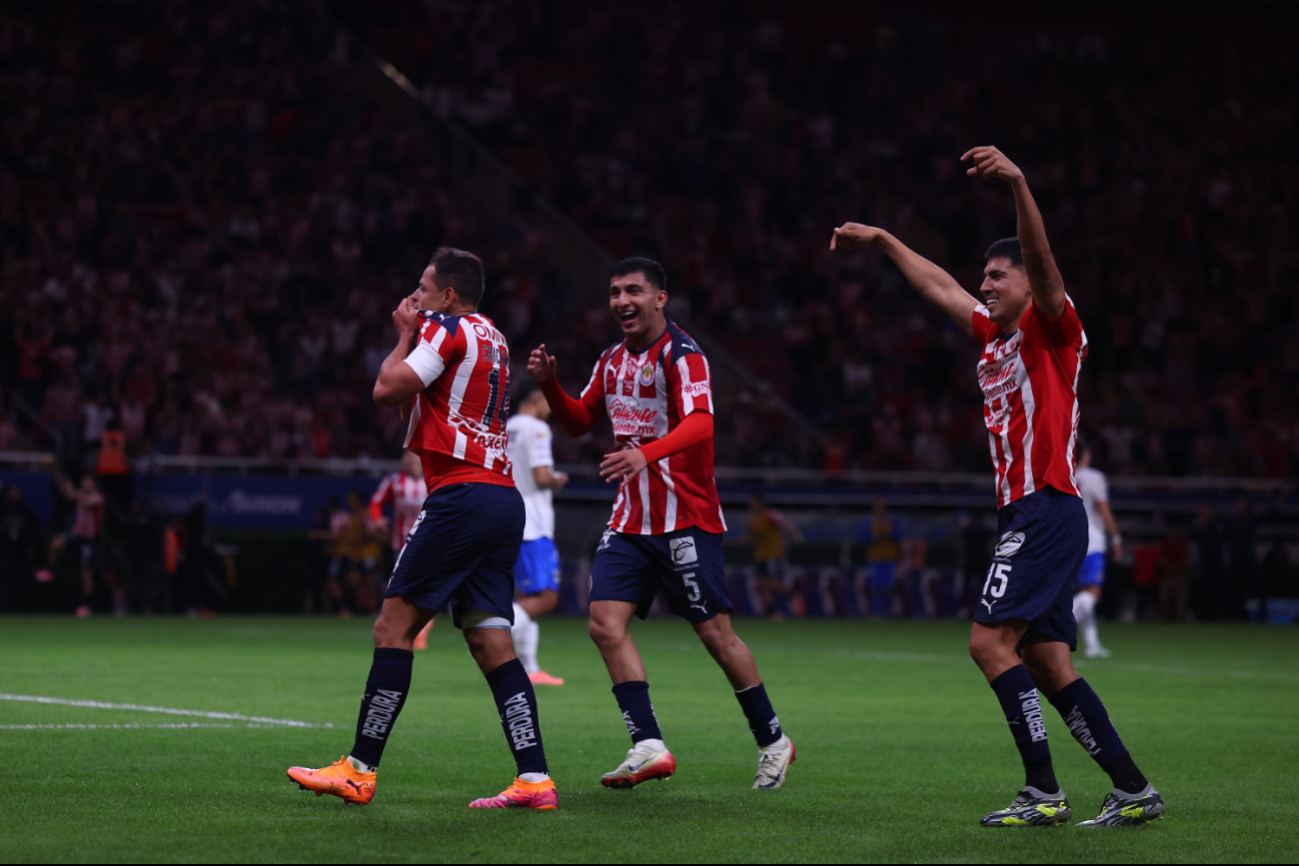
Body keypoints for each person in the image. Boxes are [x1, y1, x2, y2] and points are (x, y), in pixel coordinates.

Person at [831, 146, 1163, 827]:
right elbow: (937, 287)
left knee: (987, 646)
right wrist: (887, 239)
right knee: (1046, 664)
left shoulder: (1053, 328)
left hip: (1044, 507)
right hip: (1032, 512)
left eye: (994, 275)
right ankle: (1132, 790)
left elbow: (1042, 266)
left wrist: (1018, 184)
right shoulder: (992, 335)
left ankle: (1042, 791)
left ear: (1023, 283)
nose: (983, 286)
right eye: (983, 275)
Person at [288, 247, 556, 811]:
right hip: (503, 498)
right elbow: (419, 401)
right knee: (490, 642)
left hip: (460, 494)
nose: (416, 296)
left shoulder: (442, 328)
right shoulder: (496, 338)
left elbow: (386, 389)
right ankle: (534, 778)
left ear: (448, 296)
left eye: (423, 287)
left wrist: (405, 334)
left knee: (392, 628)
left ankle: (358, 770)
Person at [528, 256, 795, 791]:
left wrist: (646, 454)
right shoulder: (610, 359)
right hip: (630, 520)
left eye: (633, 291)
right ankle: (648, 744)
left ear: (659, 298)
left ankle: (773, 740)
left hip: (686, 519)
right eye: (614, 292)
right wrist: (553, 387)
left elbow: (701, 422)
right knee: (603, 623)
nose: (621, 301)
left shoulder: (684, 354)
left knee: (716, 637)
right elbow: (580, 422)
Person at [505, 380, 570, 685]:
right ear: (537, 399)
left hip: (509, 519)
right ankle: (490, 631)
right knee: (546, 597)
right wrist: (558, 479)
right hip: (534, 524)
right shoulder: (537, 429)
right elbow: (541, 476)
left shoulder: (506, 428)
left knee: (527, 595)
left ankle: (530, 670)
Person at [369, 451, 432, 646]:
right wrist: (377, 519)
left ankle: (420, 631)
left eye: (416, 457)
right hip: (401, 544)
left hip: (430, 543)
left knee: (426, 588)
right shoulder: (395, 481)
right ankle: (405, 628)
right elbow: (376, 503)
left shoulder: (434, 479)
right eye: (409, 457)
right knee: (403, 589)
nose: (412, 461)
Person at [1073, 444, 1122, 657]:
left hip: (1067, 542)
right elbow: (1104, 511)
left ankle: (1092, 645)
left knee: (1081, 592)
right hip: (1091, 541)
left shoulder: (1061, 474)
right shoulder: (1094, 477)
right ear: (1087, 455)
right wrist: (1116, 538)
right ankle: (1050, 628)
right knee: (1092, 593)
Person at [729, 493, 802, 620]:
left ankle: (789, 592)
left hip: (772, 554)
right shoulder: (752, 520)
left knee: (764, 583)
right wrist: (735, 543)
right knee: (760, 586)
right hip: (760, 556)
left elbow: (786, 524)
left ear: (759, 502)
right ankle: (774, 611)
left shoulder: (770, 514)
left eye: (753, 502)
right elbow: (750, 537)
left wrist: (796, 536)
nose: (750, 505)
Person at [45, 464, 105, 618]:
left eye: (88, 482)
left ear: (94, 484)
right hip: (76, 534)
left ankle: (86, 604)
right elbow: (67, 495)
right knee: (55, 543)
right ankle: (50, 572)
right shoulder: (80, 494)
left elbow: (81, 500)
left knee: (85, 569)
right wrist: (58, 475)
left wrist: (70, 488)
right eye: (84, 482)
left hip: (88, 539)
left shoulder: (97, 497)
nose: (85, 484)